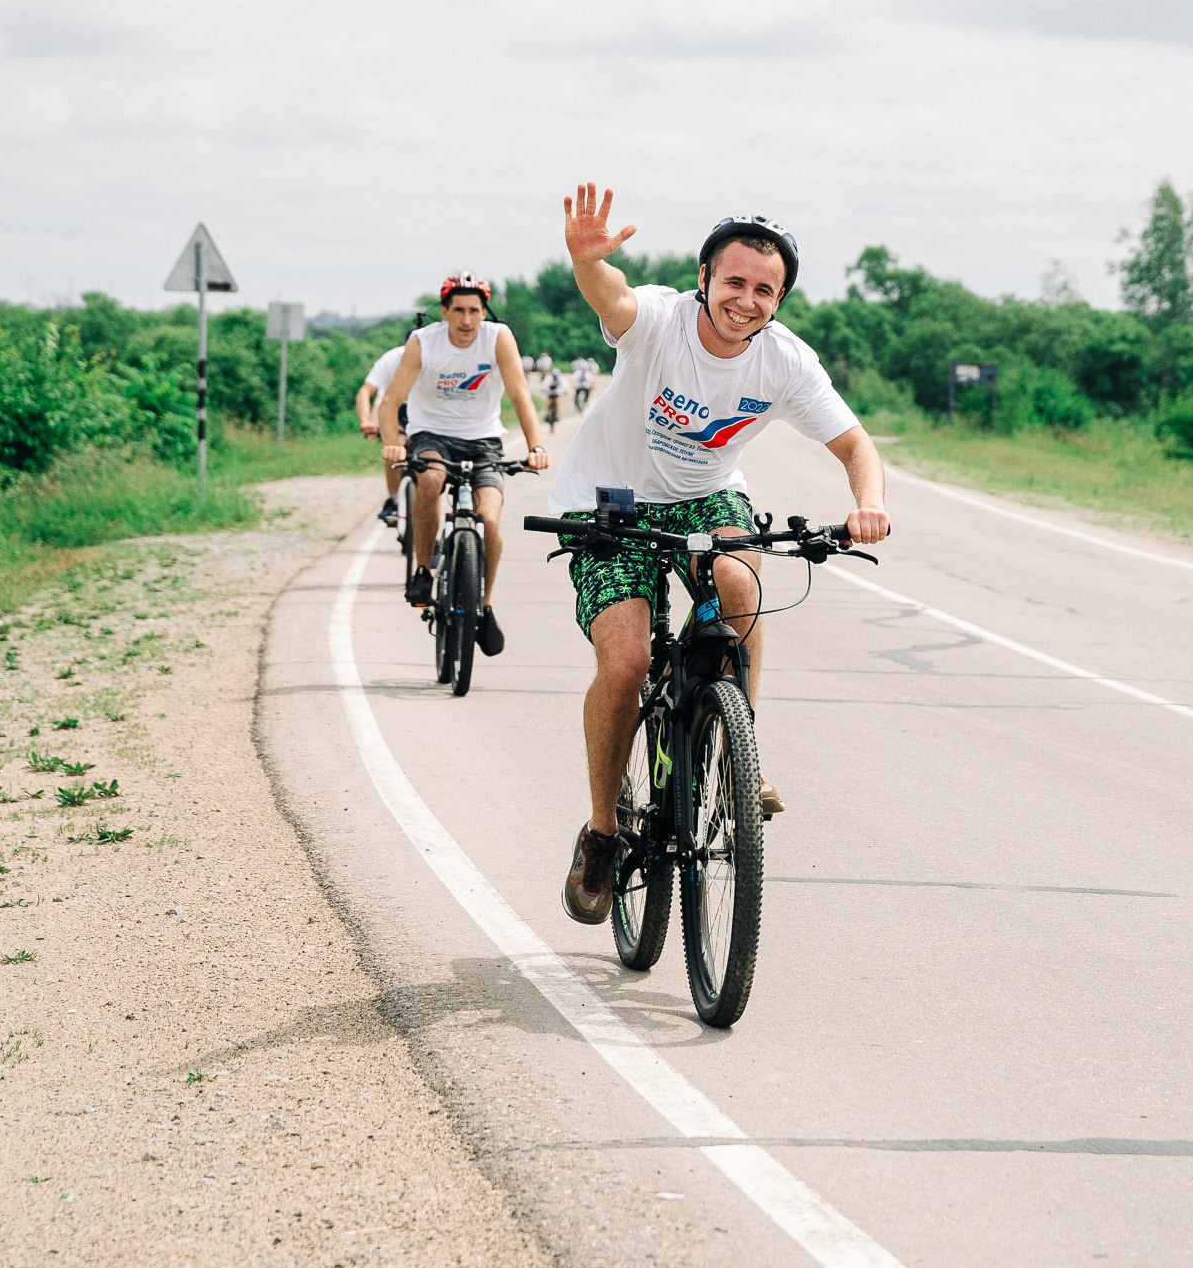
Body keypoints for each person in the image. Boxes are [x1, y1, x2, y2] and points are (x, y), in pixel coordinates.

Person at [545, 184, 888, 925]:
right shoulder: (662, 323)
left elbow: (856, 444)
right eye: (734, 281)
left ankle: (742, 752)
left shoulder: (785, 361)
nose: (748, 300)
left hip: (707, 492)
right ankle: (603, 832)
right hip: (612, 496)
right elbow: (613, 300)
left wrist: (869, 502)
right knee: (629, 662)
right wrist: (586, 262)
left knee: (739, 576)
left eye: (766, 289)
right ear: (704, 279)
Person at [377, 276, 551, 656]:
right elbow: (390, 402)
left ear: (484, 312)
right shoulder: (423, 342)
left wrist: (536, 445)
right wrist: (393, 444)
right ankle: (423, 569)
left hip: (483, 439)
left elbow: (521, 393)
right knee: (431, 479)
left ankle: (485, 605)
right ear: (444, 311)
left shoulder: (498, 337)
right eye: (459, 310)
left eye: (475, 310)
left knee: (489, 519)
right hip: (431, 435)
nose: (467, 319)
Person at [354, 331, 415, 525]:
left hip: (424, 408)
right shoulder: (391, 359)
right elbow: (366, 392)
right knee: (394, 445)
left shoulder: (437, 357)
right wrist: (366, 422)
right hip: (394, 407)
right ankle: (394, 498)